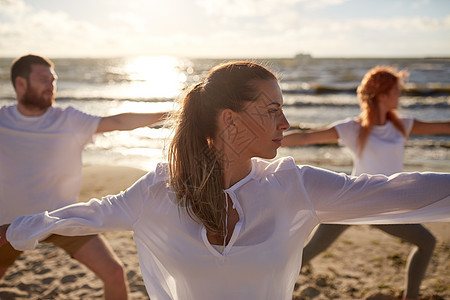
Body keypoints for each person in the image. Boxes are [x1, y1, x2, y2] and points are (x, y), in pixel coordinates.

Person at [0, 61, 449, 300]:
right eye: (272, 109)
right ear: (230, 120)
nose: (286, 121)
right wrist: (14, 231)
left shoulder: (297, 186)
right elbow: (77, 216)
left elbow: (398, 191)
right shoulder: (157, 191)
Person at [0, 54, 168, 300]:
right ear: (20, 84)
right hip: (8, 225)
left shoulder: (68, 119)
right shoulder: (2, 120)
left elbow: (119, 121)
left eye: (53, 79)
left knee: (114, 273)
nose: (51, 85)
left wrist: (174, 114)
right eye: (43, 79)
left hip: (61, 218)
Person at [282, 65, 450, 300]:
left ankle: (411, 296)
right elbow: (308, 136)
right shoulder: (353, 128)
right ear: (382, 96)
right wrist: (269, 140)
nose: (400, 95)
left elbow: (445, 127)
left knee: (426, 242)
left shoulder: (402, 125)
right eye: (396, 91)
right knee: (310, 251)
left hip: (386, 204)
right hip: (353, 199)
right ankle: (268, 286)